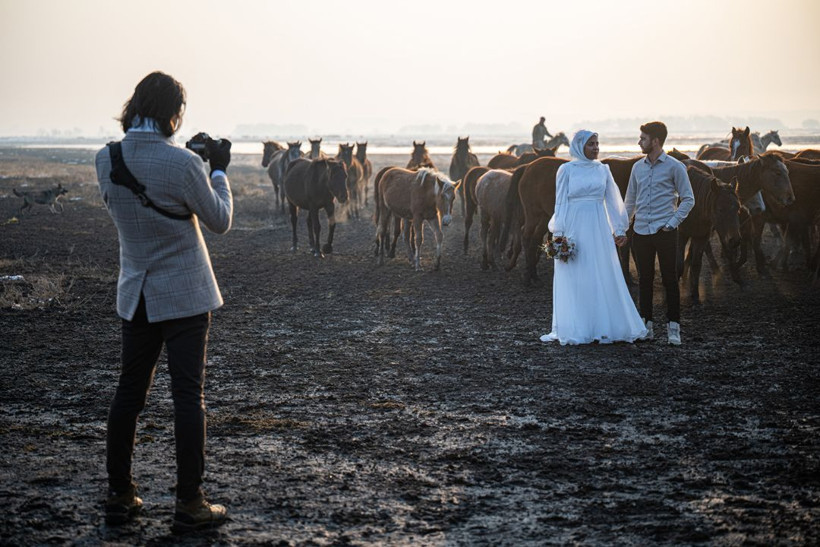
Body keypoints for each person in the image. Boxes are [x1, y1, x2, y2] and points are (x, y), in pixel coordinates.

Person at [95, 71, 233, 533]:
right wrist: (217, 169)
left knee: (128, 394)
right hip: (186, 296)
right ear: (173, 114)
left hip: (136, 294)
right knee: (187, 397)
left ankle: (119, 494)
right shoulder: (183, 165)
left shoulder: (105, 159)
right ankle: (190, 501)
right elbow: (219, 219)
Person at [540, 130, 647, 345]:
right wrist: (558, 233)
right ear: (580, 146)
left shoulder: (603, 170)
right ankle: (577, 325)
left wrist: (619, 229)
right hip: (573, 226)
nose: (596, 148)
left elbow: (613, 200)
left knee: (601, 271)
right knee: (576, 273)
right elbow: (560, 202)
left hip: (598, 227)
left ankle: (603, 325)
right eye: (591, 144)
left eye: (597, 144)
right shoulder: (566, 170)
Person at [624, 121, 694, 345]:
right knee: (644, 279)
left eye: (643, 138)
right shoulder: (637, 167)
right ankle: (647, 326)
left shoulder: (675, 167)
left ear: (655, 141)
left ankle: (674, 328)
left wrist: (673, 223)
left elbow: (688, 199)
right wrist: (623, 227)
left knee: (670, 280)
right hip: (641, 231)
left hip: (665, 230)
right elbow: (630, 201)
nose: (639, 142)